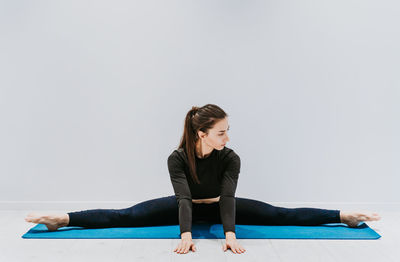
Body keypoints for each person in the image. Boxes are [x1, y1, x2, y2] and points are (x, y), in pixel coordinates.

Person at [25, 104, 381, 255]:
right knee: (127, 216)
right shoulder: (177, 158)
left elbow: (228, 198)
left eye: (228, 131)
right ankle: (62, 219)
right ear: (201, 133)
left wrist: (229, 236)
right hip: (187, 210)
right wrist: (185, 234)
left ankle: (341, 216)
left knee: (279, 213)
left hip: (219, 208)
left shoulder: (231, 158)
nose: (227, 137)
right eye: (221, 132)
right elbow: (182, 200)